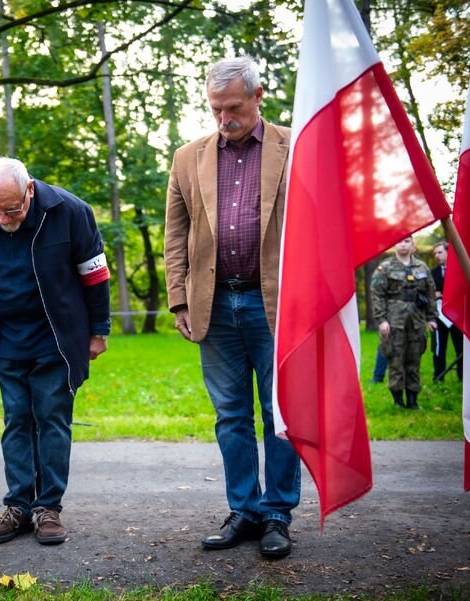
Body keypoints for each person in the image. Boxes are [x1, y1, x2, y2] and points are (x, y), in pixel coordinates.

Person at [163, 56, 300, 559]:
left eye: (234, 107)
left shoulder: (295, 145)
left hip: (278, 305)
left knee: (279, 413)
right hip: (214, 306)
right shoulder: (187, 158)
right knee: (230, 415)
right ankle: (244, 509)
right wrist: (178, 298)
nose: (225, 117)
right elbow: (175, 234)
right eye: (216, 108)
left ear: (258, 97)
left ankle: (278, 514)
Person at [0, 157, 111, 545]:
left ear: (30, 189)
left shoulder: (71, 211)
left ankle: (48, 508)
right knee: (16, 420)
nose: (3, 218)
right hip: (5, 337)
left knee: (52, 418)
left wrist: (99, 331)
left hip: (56, 337)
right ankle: (19, 507)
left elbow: (95, 274)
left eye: (13, 209)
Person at [370, 236, 437, 409]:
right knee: (396, 360)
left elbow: (430, 293)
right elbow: (377, 295)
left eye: (407, 241)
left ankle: (413, 400)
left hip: (416, 320)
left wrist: (431, 318)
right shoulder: (384, 267)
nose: (403, 244)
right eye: (399, 241)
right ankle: (398, 400)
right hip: (394, 321)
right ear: (394, 245)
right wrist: (382, 320)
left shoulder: (422, 267)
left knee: (414, 361)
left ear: (413, 245)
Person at [430, 242, 463, 381]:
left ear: (448, 253)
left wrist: (443, 294)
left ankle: (463, 376)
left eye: (440, 252)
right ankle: (438, 376)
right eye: (435, 253)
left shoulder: (459, 270)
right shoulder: (432, 273)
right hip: (439, 316)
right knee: (439, 348)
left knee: (461, 348)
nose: (437, 256)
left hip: (457, 316)